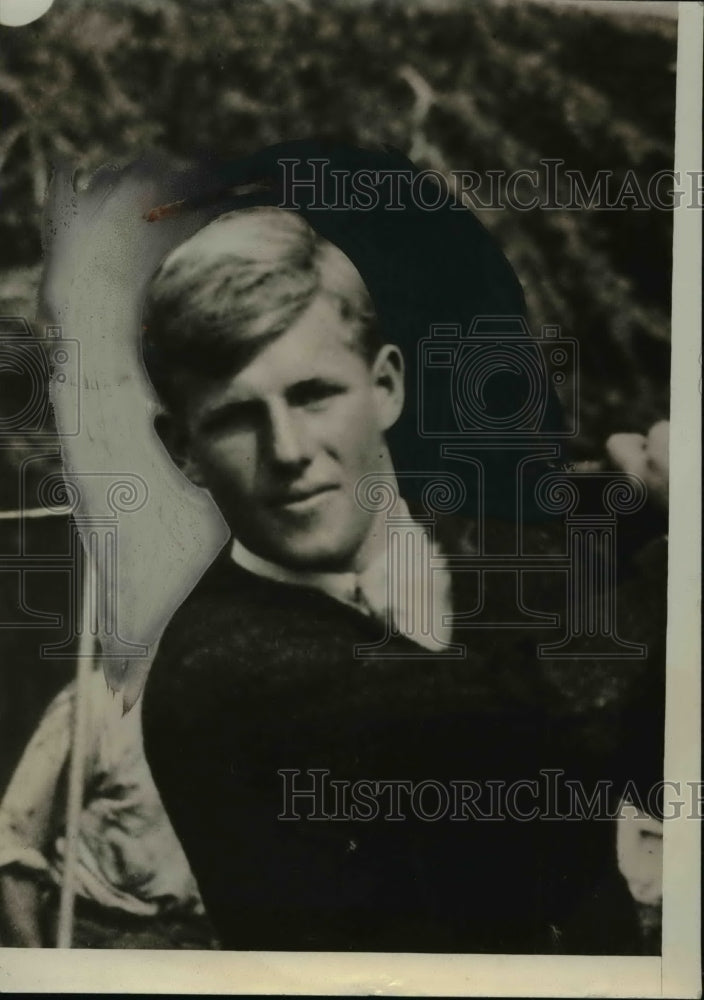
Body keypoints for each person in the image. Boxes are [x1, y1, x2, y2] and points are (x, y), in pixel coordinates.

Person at [139, 153, 666, 953]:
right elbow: (501, 772)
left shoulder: (494, 552)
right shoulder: (215, 672)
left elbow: (655, 768)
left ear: (385, 386)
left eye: (315, 394)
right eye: (235, 418)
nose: (288, 450)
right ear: (182, 449)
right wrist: (651, 536)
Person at [0, 664, 218, 949]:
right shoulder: (96, 703)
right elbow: (15, 844)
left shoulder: (237, 709)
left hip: (190, 943)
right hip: (95, 935)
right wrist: (39, 972)